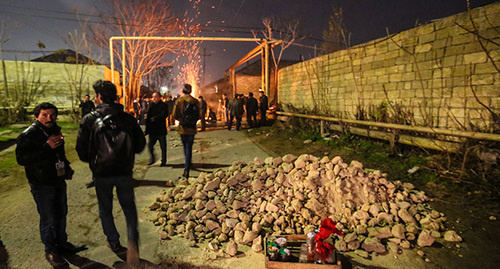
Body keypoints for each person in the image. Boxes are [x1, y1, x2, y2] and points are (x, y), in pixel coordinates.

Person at [76, 80, 146, 267]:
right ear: (115, 97)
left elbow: (81, 151)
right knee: (129, 209)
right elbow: (140, 145)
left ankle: (113, 241)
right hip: (124, 171)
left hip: (102, 173)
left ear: (98, 97)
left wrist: (94, 159)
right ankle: (133, 243)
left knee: (105, 208)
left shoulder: (89, 119)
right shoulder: (128, 118)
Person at [16, 102, 79, 267]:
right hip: (41, 183)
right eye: (44, 115)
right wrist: (46, 147)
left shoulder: (55, 130)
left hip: (57, 180)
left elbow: (60, 153)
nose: (49, 118)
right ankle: (50, 250)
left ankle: (61, 244)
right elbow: (22, 159)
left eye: (52, 115)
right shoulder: (29, 135)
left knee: (61, 213)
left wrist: (66, 167)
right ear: (36, 116)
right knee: (48, 217)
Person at [172, 84, 200, 178]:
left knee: (185, 147)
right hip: (192, 128)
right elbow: (199, 115)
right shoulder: (196, 101)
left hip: (183, 128)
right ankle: (188, 163)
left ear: (183, 91)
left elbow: (174, 115)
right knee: (189, 147)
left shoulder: (179, 101)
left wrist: (181, 120)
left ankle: (186, 168)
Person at [145, 92, 169, 166]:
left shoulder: (163, 105)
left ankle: (163, 160)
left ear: (159, 97)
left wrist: (155, 118)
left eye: (155, 97)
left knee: (163, 147)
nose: (154, 98)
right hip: (153, 130)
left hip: (160, 129)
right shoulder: (151, 105)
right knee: (150, 145)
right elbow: (148, 115)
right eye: (153, 97)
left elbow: (164, 114)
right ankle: (152, 158)